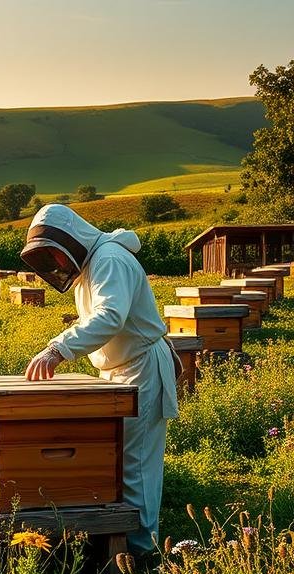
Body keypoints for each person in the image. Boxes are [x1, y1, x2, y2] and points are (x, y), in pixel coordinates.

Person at [19, 204, 179, 555]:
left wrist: (57, 349)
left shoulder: (109, 260)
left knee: (135, 465)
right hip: (120, 371)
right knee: (119, 460)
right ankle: (120, 544)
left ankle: (142, 552)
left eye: (57, 256)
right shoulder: (93, 266)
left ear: (72, 240)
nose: (59, 265)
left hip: (140, 369)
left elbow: (110, 316)